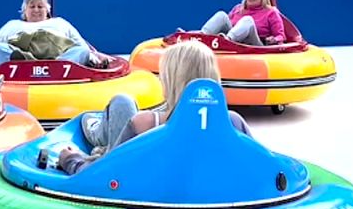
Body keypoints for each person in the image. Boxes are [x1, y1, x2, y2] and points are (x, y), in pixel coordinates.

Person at [55, 41, 253, 175]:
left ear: (172, 80)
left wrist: (72, 160)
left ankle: (96, 131)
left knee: (121, 103)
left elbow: (106, 177)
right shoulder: (234, 122)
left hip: (147, 206)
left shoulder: (146, 124)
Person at [0, 0, 95, 68]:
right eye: (32, 6)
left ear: (47, 10)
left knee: (81, 50)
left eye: (40, 6)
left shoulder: (60, 23)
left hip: (57, 59)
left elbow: (82, 45)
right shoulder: (12, 25)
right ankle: (24, 62)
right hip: (21, 60)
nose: (36, 10)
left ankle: (58, 65)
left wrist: (94, 58)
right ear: (25, 10)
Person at [198, 0, 286, 46]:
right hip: (235, 40)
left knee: (247, 20)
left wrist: (274, 39)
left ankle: (227, 40)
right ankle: (200, 36)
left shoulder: (271, 12)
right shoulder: (238, 8)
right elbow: (225, 25)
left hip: (254, 45)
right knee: (222, 15)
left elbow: (281, 36)